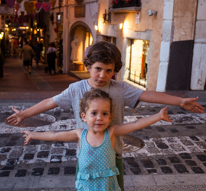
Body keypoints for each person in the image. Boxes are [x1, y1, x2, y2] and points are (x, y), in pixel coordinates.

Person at [7, 41, 204, 191]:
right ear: (88, 67)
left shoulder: (120, 89)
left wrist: (179, 101)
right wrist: (24, 114)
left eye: (109, 71)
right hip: (84, 157)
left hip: (112, 156)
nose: (102, 75)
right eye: (98, 69)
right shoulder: (75, 89)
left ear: (115, 71)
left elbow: (148, 94)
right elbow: (51, 101)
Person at [21, 89, 172, 191]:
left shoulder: (111, 132)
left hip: (108, 187)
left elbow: (135, 124)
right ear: (84, 116)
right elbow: (54, 135)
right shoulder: (79, 134)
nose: (100, 117)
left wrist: (158, 116)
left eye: (105, 114)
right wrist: (33, 134)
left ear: (110, 117)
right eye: (94, 113)